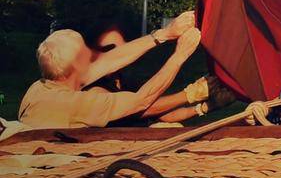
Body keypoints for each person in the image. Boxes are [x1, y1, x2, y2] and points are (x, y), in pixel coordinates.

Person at [19, 11, 205, 129]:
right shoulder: (81, 103)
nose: (93, 55)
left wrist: (164, 34)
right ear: (78, 65)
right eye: (86, 53)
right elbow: (141, 101)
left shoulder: (38, 89)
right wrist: (180, 55)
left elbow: (109, 60)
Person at [89, 22, 209, 124]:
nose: (120, 55)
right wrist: (191, 93)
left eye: (122, 49)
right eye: (109, 51)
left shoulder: (126, 79)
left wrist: (203, 108)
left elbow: (163, 114)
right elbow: (139, 107)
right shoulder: (93, 90)